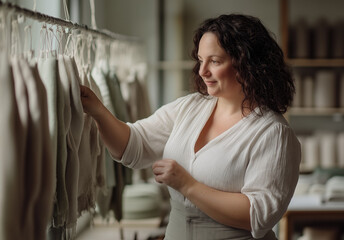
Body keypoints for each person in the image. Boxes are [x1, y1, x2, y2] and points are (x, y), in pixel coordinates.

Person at [80, 14, 301, 240]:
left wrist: (187, 185)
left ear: (247, 64)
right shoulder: (190, 106)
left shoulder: (273, 133)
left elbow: (258, 215)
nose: (202, 71)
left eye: (214, 61)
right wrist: (98, 110)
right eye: (200, 60)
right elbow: (133, 145)